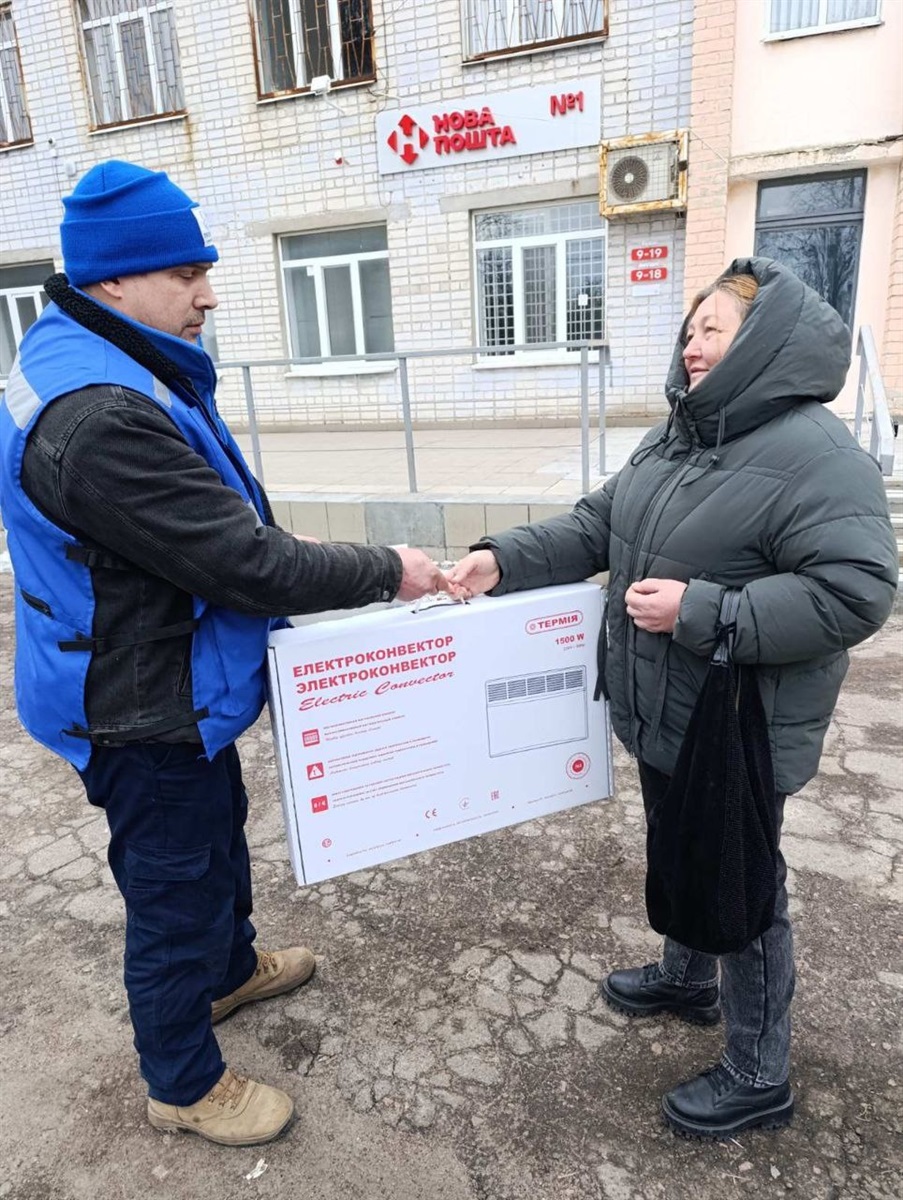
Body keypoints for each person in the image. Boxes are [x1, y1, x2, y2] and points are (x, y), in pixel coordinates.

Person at [0, 159, 460, 1147]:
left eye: (205, 268)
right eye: (185, 272)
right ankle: (182, 1081)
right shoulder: (98, 416)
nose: (207, 293)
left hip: (166, 679)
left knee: (214, 840)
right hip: (138, 705)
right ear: (112, 279)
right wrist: (391, 568)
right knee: (173, 886)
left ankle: (229, 971)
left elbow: (203, 536)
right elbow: (244, 564)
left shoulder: (105, 354)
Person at [448, 257, 898, 1140]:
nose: (691, 345)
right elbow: (597, 524)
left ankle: (757, 1071)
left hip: (738, 729)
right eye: (689, 330)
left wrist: (705, 611)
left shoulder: (816, 454)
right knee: (679, 847)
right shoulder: (678, 435)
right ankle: (688, 980)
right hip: (667, 714)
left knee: (743, 892)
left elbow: (855, 593)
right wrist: (502, 559)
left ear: (761, 342)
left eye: (712, 330)